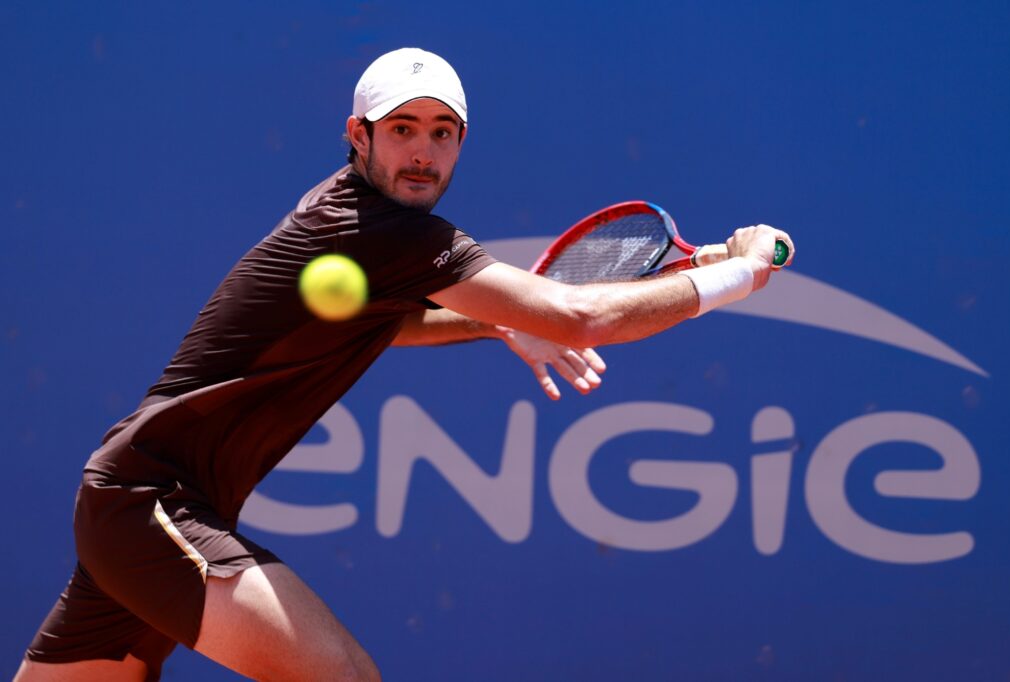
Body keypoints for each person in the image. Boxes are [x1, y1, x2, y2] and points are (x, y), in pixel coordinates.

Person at [16, 48, 793, 681]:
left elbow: (382, 326)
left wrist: (494, 329)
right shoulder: (387, 231)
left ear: (462, 142)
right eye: (403, 129)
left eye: (443, 132)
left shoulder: (354, 218)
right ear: (360, 134)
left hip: (139, 506)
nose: (423, 151)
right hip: (153, 504)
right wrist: (746, 274)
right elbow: (581, 316)